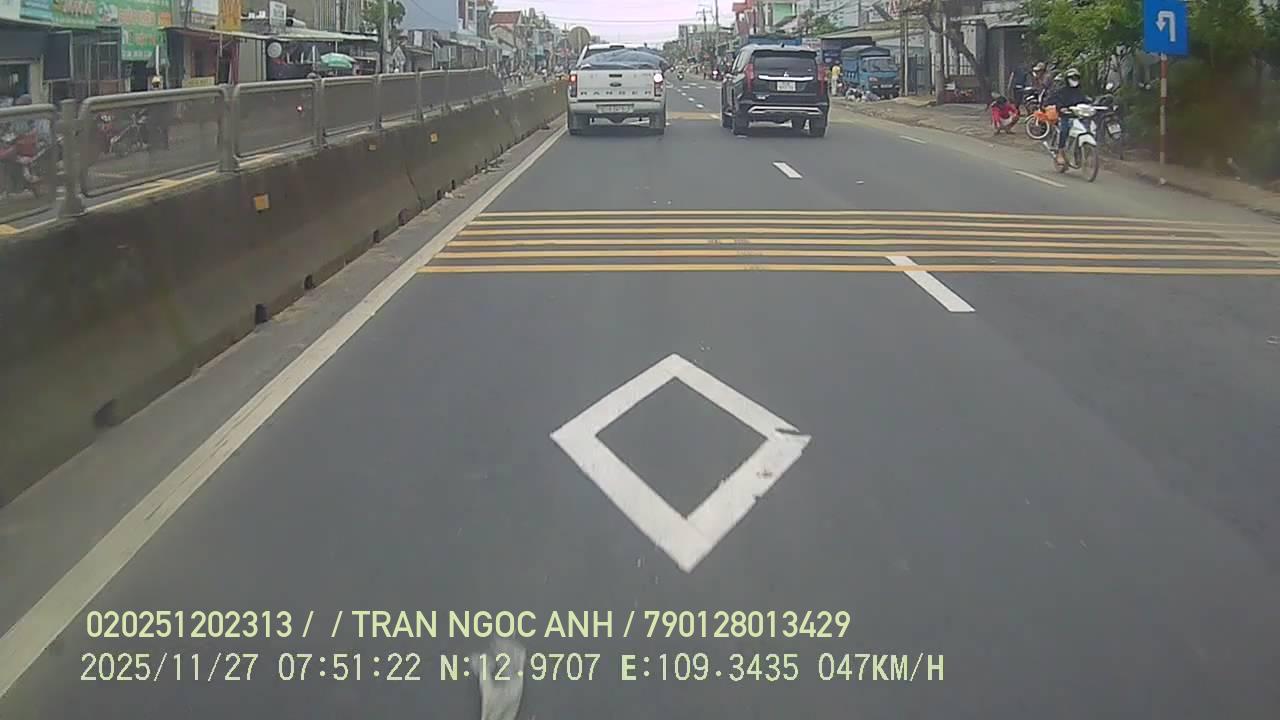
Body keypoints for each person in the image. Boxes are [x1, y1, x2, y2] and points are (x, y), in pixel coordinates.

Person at [1047, 67, 1089, 165]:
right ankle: (1060, 152)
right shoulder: (1062, 91)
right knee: (1064, 130)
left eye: (1076, 78)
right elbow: (1053, 100)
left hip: (1079, 116)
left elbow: (1085, 100)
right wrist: (1061, 107)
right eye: (1072, 78)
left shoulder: (1080, 91)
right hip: (1066, 116)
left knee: (1088, 129)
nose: (1074, 80)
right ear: (1067, 79)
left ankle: (1079, 153)